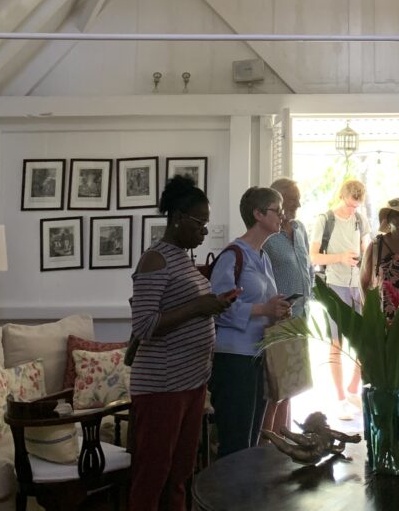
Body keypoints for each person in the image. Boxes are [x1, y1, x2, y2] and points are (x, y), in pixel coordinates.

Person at [128, 176, 236, 511]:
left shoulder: (182, 258)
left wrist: (214, 303)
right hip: (162, 386)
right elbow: (144, 325)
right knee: (153, 474)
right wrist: (199, 307)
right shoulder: (154, 260)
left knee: (180, 473)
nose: (205, 231)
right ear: (177, 217)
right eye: (199, 223)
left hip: (190, 382)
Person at [209, 186, 291, 456]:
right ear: (257, 213)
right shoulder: (233, 255)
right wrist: (263, 309)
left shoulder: (263, 257)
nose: (283, 216)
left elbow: (265, 304)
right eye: (276, 211)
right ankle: (226, 498)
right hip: (234, 358)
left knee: (252, 439)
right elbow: (219, 307)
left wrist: (277, 310)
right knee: (235, 442)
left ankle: (245, 496)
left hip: (257, 355)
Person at [310, 178, 371, 421]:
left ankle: (353, 390)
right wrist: (340, 258)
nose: (352, 209)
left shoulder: (360, 219)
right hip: (334, 284)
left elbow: (367, 250)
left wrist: (365, 266)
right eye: (350, 205)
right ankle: (339, 398)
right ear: (341, 197)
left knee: (363, 340)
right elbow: (314, 256)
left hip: (359, 284)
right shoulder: (325, 220)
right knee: (336, 343)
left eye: (356, 206)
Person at [261, 177, 313, 434]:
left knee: (292, 386)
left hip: (301, 316)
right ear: (277, 202)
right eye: (293, 200)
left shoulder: (301, 228)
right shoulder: (268, 235)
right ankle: (265, 448)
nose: (298, 204)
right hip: (277, 319)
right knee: (275, 388)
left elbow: (307, 268)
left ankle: (282, 441)